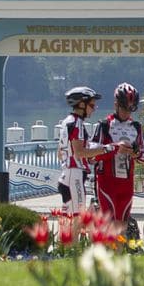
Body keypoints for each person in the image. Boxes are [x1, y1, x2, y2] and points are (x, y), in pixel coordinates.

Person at [94, 82, 144, 232]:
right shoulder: (104, 125)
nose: (127, 112)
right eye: (124, 108)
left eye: (131, 109)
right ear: (116, 104)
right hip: (106, 182)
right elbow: (91, 155)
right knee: (108, 226)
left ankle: (119, 255)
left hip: (126, 184)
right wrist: (115, 149)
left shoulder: (136, 127)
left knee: (121, 227)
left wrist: (137, 154)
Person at [55, 85, 116, 216]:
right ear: (82, 104)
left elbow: (60, 154)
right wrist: (106, 149)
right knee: (77, 219)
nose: (94, 109)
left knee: (68, 219)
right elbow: (79, 152)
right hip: (75, 176)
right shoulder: (77, 124)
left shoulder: (66, 122)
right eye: (92, 106)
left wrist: (89, 154)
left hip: (66, 174)